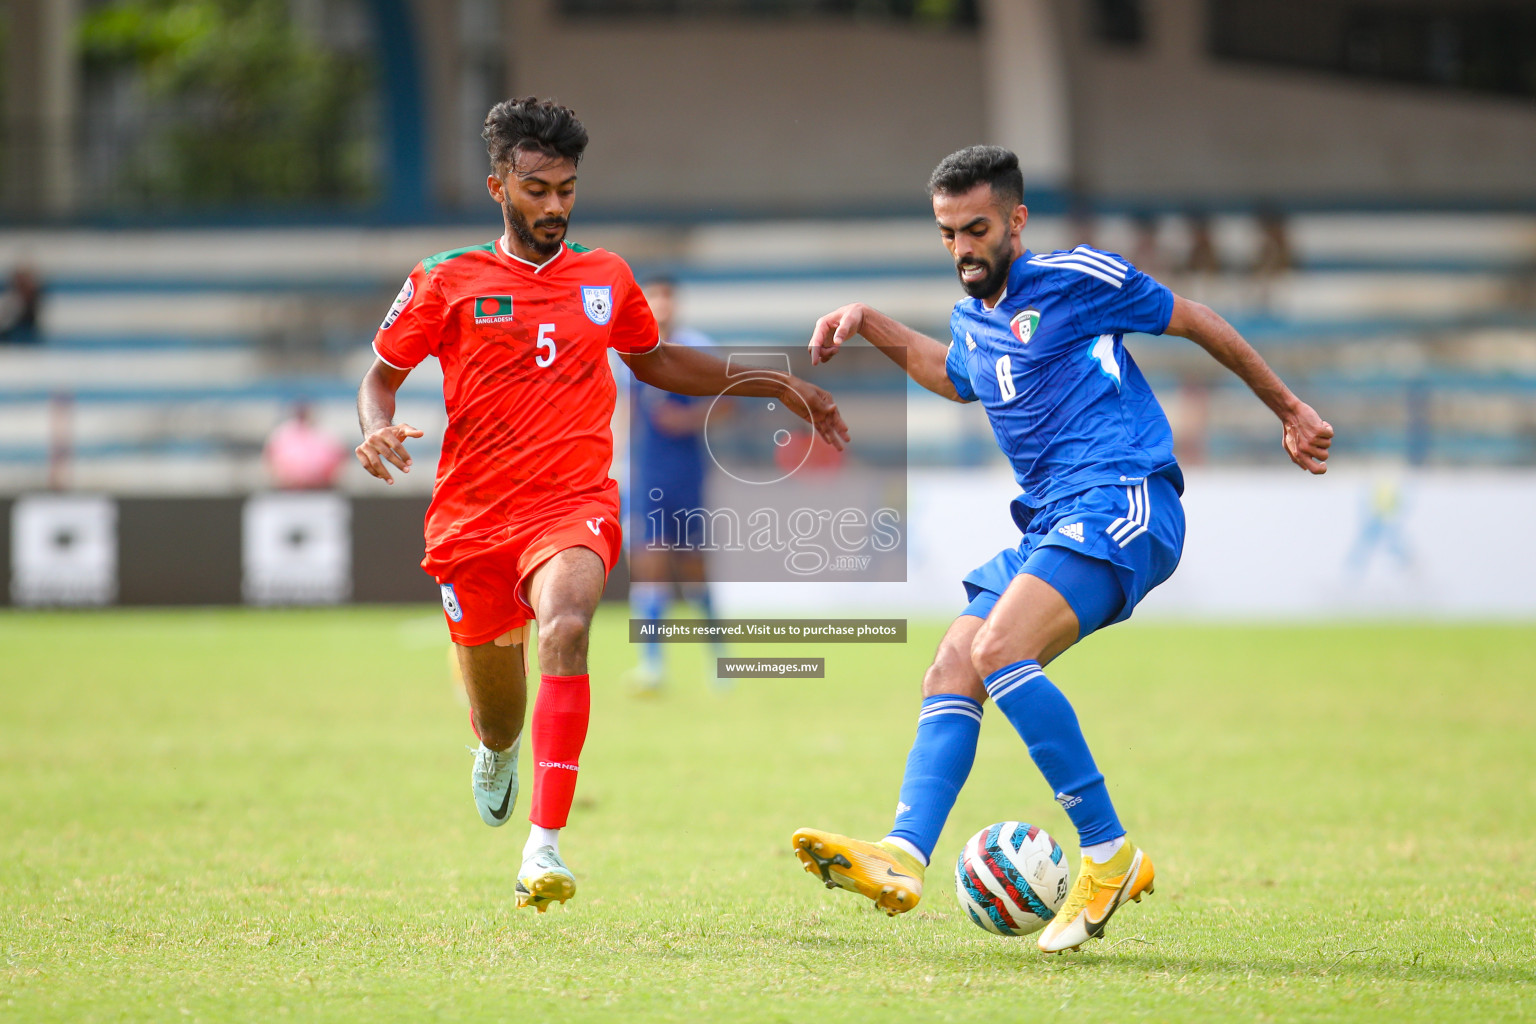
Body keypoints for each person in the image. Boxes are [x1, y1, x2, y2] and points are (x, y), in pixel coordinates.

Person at [790, 146, 1332, 954]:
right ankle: (903, 855)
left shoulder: (1075, 277)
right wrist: (868, 321)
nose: (962, 248)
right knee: (955, 663)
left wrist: (1287, 408)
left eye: (976, 229)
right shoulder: (975, 315)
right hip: (1051, 521)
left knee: (1001, 645)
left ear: (1016, 220)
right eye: (947, 234)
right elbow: (955, 374)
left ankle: (1109, 853)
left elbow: (1194, 319)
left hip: (1125, 497)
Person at [354, 97, 848, 913]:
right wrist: (374, 429)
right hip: (471, 518)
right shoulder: (443, 279)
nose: (555, 206)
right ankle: (498, 747)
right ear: (498, 188)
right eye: (538, 189)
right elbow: (379, 377)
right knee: (499, 716)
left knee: (569, 625)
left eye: (567, 190)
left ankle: (542, 848)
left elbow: (656, 363)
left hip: (572, 503)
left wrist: (777, 381)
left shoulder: (606, 278)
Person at [624, 276, 728, 693]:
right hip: (646, 475)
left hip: (687, 476)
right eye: (654, 298)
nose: (661, 305)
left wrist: (685, 421)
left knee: (694, 570)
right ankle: (652, 665)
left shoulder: (696, 346)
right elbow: (621, 411)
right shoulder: (627, 351)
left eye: (666, 297)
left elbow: (726, 406)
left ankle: (720, 662)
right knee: (648, 568)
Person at [263, 401, 348, 489]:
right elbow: (270, 461)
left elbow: (340, 460)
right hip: (286, 490)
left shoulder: (328, 434)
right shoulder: (281, 434)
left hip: (320, 489)